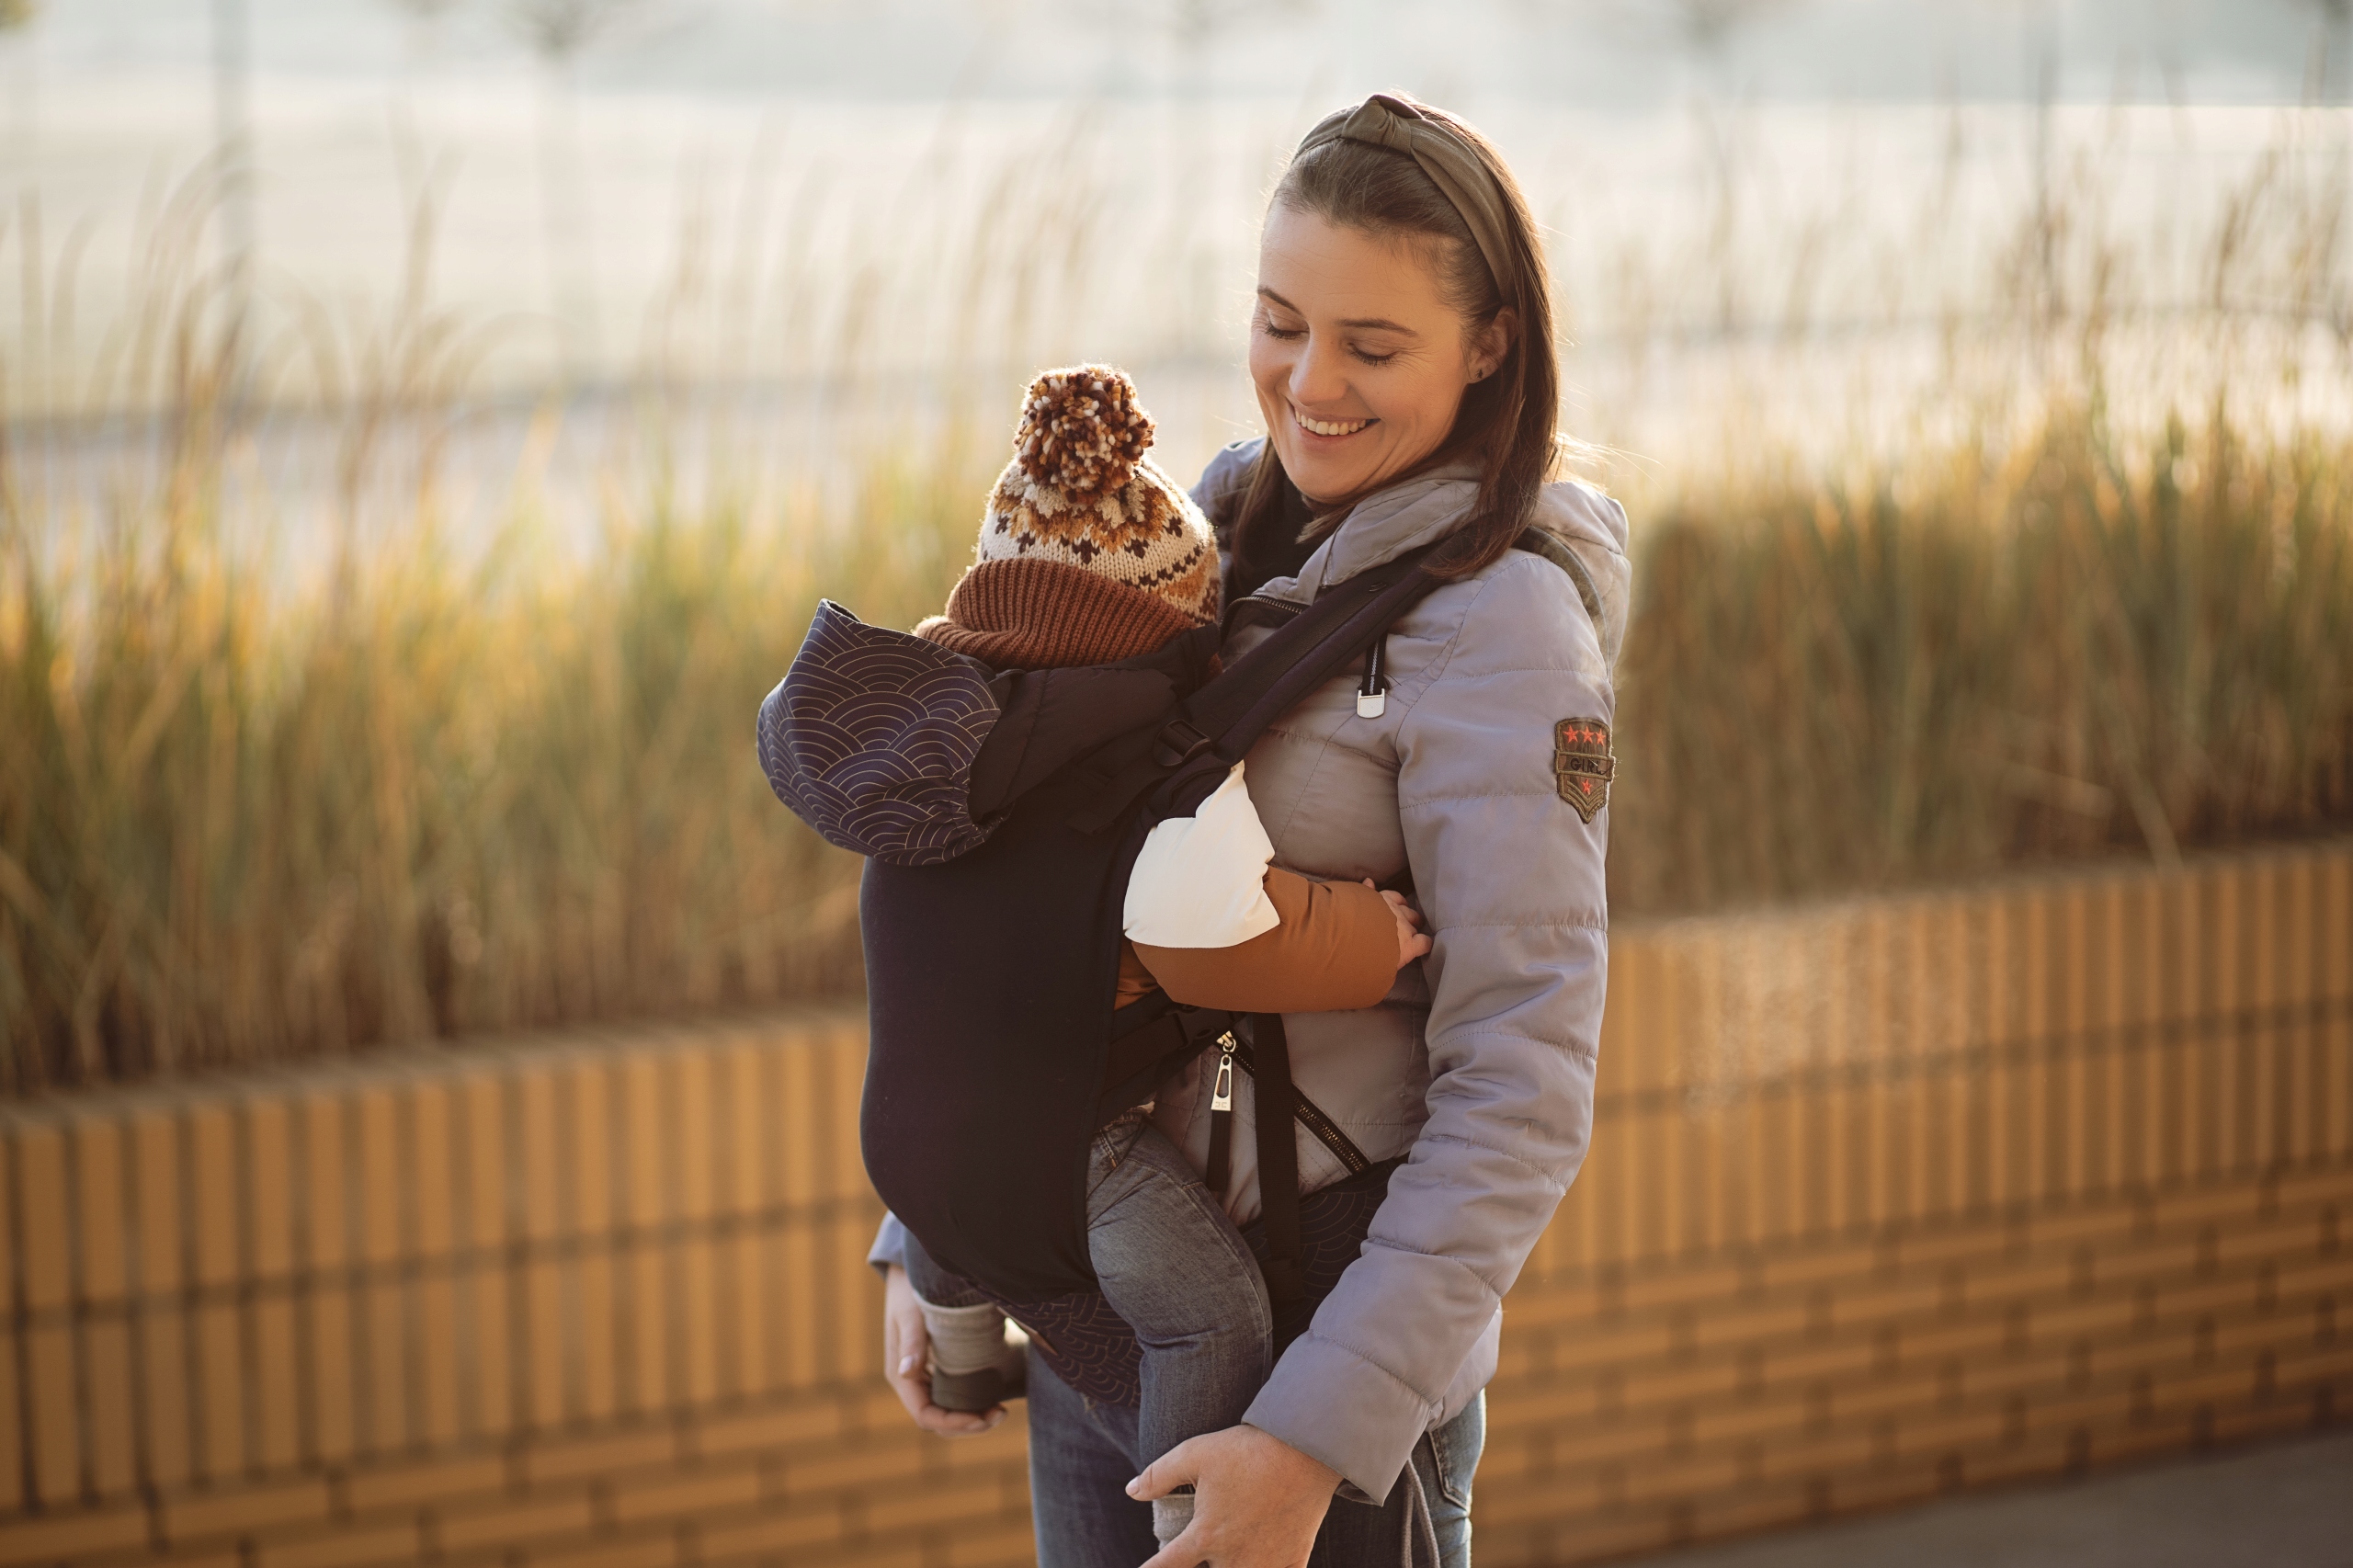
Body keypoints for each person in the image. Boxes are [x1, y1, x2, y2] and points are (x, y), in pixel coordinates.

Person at [876, 93, 1629, 1567]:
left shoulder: (1505, 629)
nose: (1310, 383)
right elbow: (1025, 875)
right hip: (1110, 1310)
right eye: (1281, 321)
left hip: (1320, 1374)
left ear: (1491, 347)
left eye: (1372, 344)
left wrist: (1314, 1437)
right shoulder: (1189, 544)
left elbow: (1523, 1083)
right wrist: (937, 1222)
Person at [846, 363, 1434, 1551]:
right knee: (1209, 1316)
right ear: (1171, 635)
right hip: (1076, 1152)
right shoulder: (1152, 793)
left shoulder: (941, 745)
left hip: (914, 1140)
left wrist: (915, 1239)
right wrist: (1387, 937)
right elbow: (1249, 941)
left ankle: (964, 1355)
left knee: (969, 1217)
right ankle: (1190, 1518)